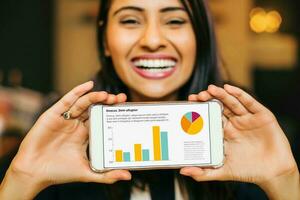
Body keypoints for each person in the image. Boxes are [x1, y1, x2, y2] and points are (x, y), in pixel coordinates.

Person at [0, 0, 299, 199]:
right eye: (130, 20)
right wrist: (21, 178)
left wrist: (283, 181)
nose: (153, 39)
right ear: (105, 39)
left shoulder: (253, 152)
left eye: (174, 21)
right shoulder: (60, 153)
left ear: (200, 36)